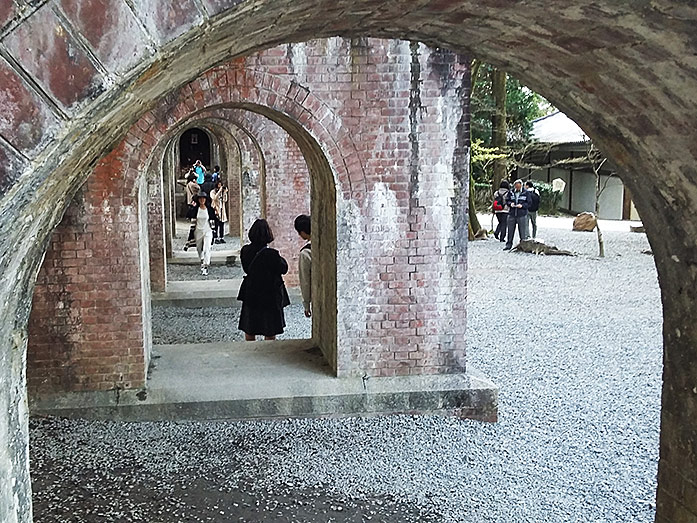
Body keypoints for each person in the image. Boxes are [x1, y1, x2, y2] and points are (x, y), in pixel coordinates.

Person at [237, 219, 290, 341]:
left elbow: (246, 269)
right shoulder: (272, 254)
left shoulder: (245, 251)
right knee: (270, 327)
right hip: (269, 293)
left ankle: (251, 350)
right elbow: (283, 268)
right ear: (268, 234)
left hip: (251, 291)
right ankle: (268, 350)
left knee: (250, 326)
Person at [186, 192, 216, 275]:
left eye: (203, 198)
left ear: (206, 200)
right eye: (200, 198)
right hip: (198, 231)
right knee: (199, 248)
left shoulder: (209, 209)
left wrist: (214, 230)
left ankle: (205, 265)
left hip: (208, 230)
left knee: (207, 248)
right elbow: (188, 215)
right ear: (198, 200)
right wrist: (192, 206)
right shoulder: (195, 209)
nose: (202, 200)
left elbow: (214, 219)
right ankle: (202, 260)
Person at [294, 214, 312, 318]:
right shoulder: (325, 245)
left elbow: (305, 281)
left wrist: (306, 305)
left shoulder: (305, 253)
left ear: (302, 232)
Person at [504, 179, 530, 250]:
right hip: (512, 213)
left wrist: (522, 206)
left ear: (521, 185)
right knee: (510, 230)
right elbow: (507, 200)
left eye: (519, 186)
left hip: (521, 214)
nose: (517, 188)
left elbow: (529, 203)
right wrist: (510, 204)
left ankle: (523, 245)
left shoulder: (526, 193)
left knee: (522, 231)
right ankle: (509, 244)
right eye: (516, 186)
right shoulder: (511, 192)